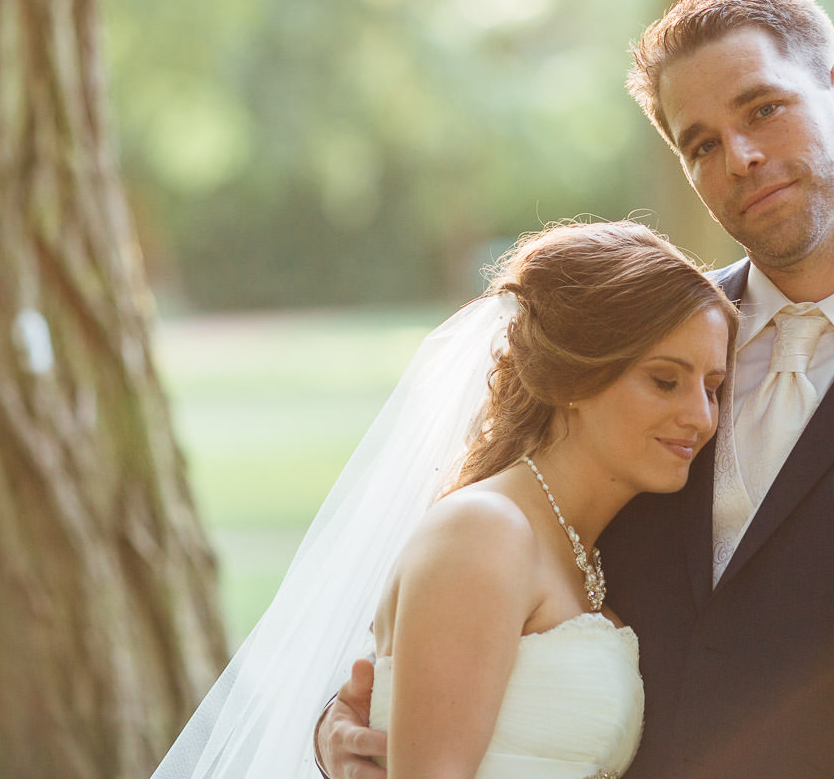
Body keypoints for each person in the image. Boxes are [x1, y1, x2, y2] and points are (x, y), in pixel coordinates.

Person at [319, 0, 834, 779]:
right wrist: (354, 726)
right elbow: (482, 560)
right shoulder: (642, 344)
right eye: (700, 144)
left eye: (763, 110)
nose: (740, 157)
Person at [151, 220, 739, 779]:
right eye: (665, 381)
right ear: (572, 379)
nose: (700, 417)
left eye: (712, 388)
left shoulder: (574, 544)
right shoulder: (486, 531)